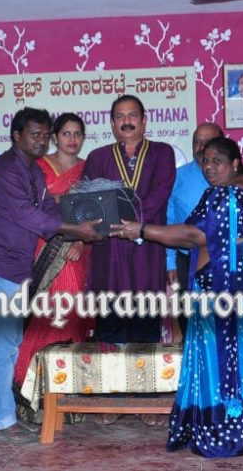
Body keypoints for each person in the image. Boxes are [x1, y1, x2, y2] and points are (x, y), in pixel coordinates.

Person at [111, 136, 243, 458]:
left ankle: (228, 434)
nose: (210, 167)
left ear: (235, 163)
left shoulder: (227, 194)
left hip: (231, 292)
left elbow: (193, 235)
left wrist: (142, 230)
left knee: (230, 363)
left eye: (217, 161)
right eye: (205, 162)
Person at [0, 107, 101, 444]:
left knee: (10, 343)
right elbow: (29, 216)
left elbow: (47, 210)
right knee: (3, 346)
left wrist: (83, 222)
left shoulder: (31, 169)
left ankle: (6, 416)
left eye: (45, 134)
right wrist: (76, 229)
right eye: (35, 134)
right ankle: (2, 421)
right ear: (17, 136)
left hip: (15, 268)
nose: (42, 140)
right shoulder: (6, 169)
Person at [82, 95, 176, 345]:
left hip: (147, 248)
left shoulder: (162, 153)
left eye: (132, 115)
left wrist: (136, 224)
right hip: (110, 253)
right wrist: (119, 226)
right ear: (112, 124)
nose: (127, 121)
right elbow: (90, 201)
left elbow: (160, 193)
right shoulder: (97, 157)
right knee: (110, 331)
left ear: (144, 121)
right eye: (120, 116)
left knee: (145, 331)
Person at [14, 113, 94, 390]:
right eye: (66, 134)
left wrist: (81, 242)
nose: (72, 139)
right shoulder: (38, 166)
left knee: (71, 312)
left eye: (77, 134)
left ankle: (67, 387)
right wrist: (67, 197)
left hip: (78, 249)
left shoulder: (89, 168)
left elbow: (96, 213)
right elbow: (30, 207)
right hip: (44, 246)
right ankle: (33, 384)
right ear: (55, 138)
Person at [166, 123, 224, 338]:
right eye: (196, 142)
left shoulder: (233, 177)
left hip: (223, 258)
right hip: (186, 259)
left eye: (207, 142)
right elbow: (169, 219)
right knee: (188, 319)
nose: (200, 147)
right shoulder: (177, 177)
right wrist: (170, 261)